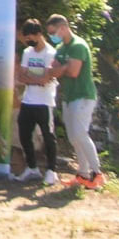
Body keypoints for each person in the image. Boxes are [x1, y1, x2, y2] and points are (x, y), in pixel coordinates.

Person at [46, 14, 103, 189]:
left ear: (63, 28)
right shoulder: (61, 48)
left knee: (80, 134)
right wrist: (62, 68)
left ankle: (97, 173)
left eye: (53, 32)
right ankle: (83, 174)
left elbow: (73, 72)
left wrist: (61, 69)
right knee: (73, 137)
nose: (51, 36)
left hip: (83, 96)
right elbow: (52, 71)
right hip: (69, 96)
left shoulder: (78, 46)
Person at [14, 18, 60, 185]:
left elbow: (46, 79)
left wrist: (34, 78)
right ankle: (32, 167)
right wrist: (37, 78)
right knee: (24, 133)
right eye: (26, 39)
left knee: (48, 136)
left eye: (31, 38)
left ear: (39, 34)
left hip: (45, 101)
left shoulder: (50, 53)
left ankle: (51, 170)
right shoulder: (28, 53)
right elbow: (22, 75)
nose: (28, 41)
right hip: (28, 100)